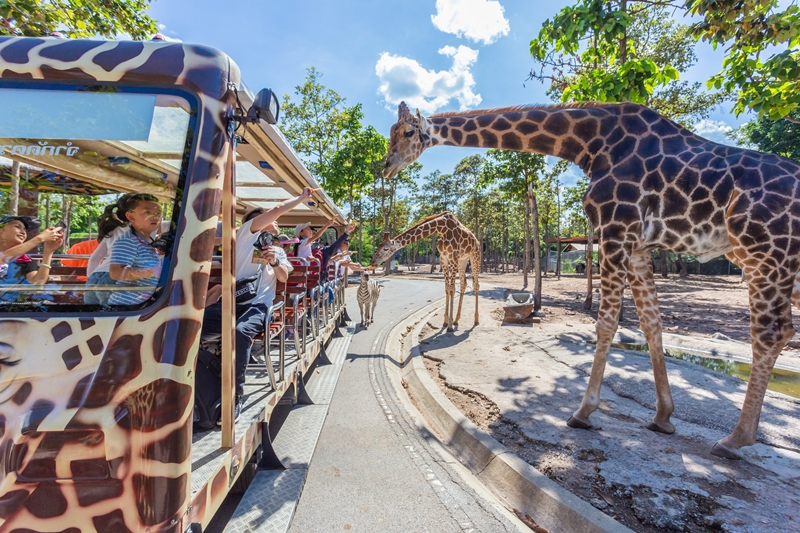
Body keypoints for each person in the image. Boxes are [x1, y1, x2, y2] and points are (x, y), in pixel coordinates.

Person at [200, 187, 312, 421]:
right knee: (191, 326)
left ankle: (235, 395)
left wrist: (273, 261)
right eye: (271, 221)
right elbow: (276, 210)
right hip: (232, 303)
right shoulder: (244, 236)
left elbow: (283, 277)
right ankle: (199, 382)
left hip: (258, 307)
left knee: (241, 332)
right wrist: (301, 198)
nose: (276, 223)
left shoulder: (278, 251)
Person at [86, 194, 167, 305]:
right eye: (147, 211)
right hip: (116, 278)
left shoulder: (112, 232)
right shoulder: (144, 229)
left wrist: (90, 278)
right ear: (130, 214)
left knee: (94, 316)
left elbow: (94, 259)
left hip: (96, 277)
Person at [0, 215, 64, 303]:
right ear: (1, 232)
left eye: (25, 230)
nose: (23, 232)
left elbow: (37, 285)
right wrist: (40, 238)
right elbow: (4, 258)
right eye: (17, 227)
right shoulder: (7, 257)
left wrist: (48, 252)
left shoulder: (25, 260)